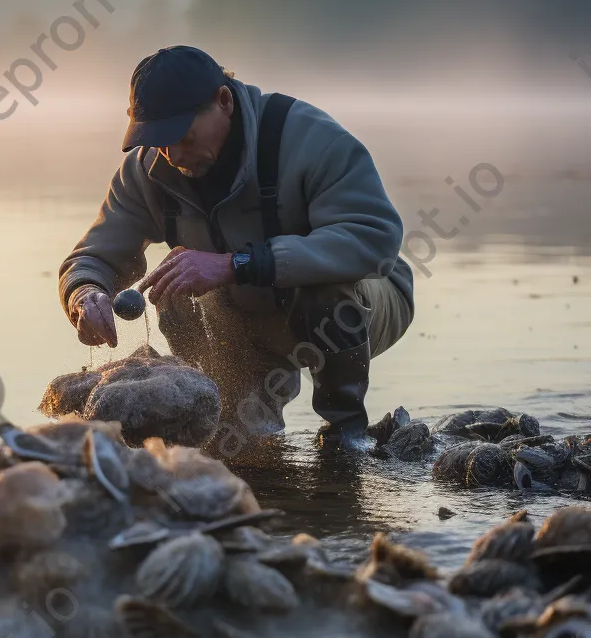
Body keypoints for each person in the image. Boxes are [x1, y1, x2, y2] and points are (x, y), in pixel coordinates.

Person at [57, 45, 414, 451]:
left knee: (325, 291)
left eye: (182, 135)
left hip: (363, 302)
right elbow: (91, 257)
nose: (172, 155)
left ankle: (346, 436)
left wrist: (236, 264)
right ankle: (227, 412)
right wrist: (84, 294)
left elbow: (376, 239)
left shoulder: (309, 138)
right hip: (247, 318)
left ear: (223, 102)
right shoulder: (147, 170)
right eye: (158, 140)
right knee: (233, 442)